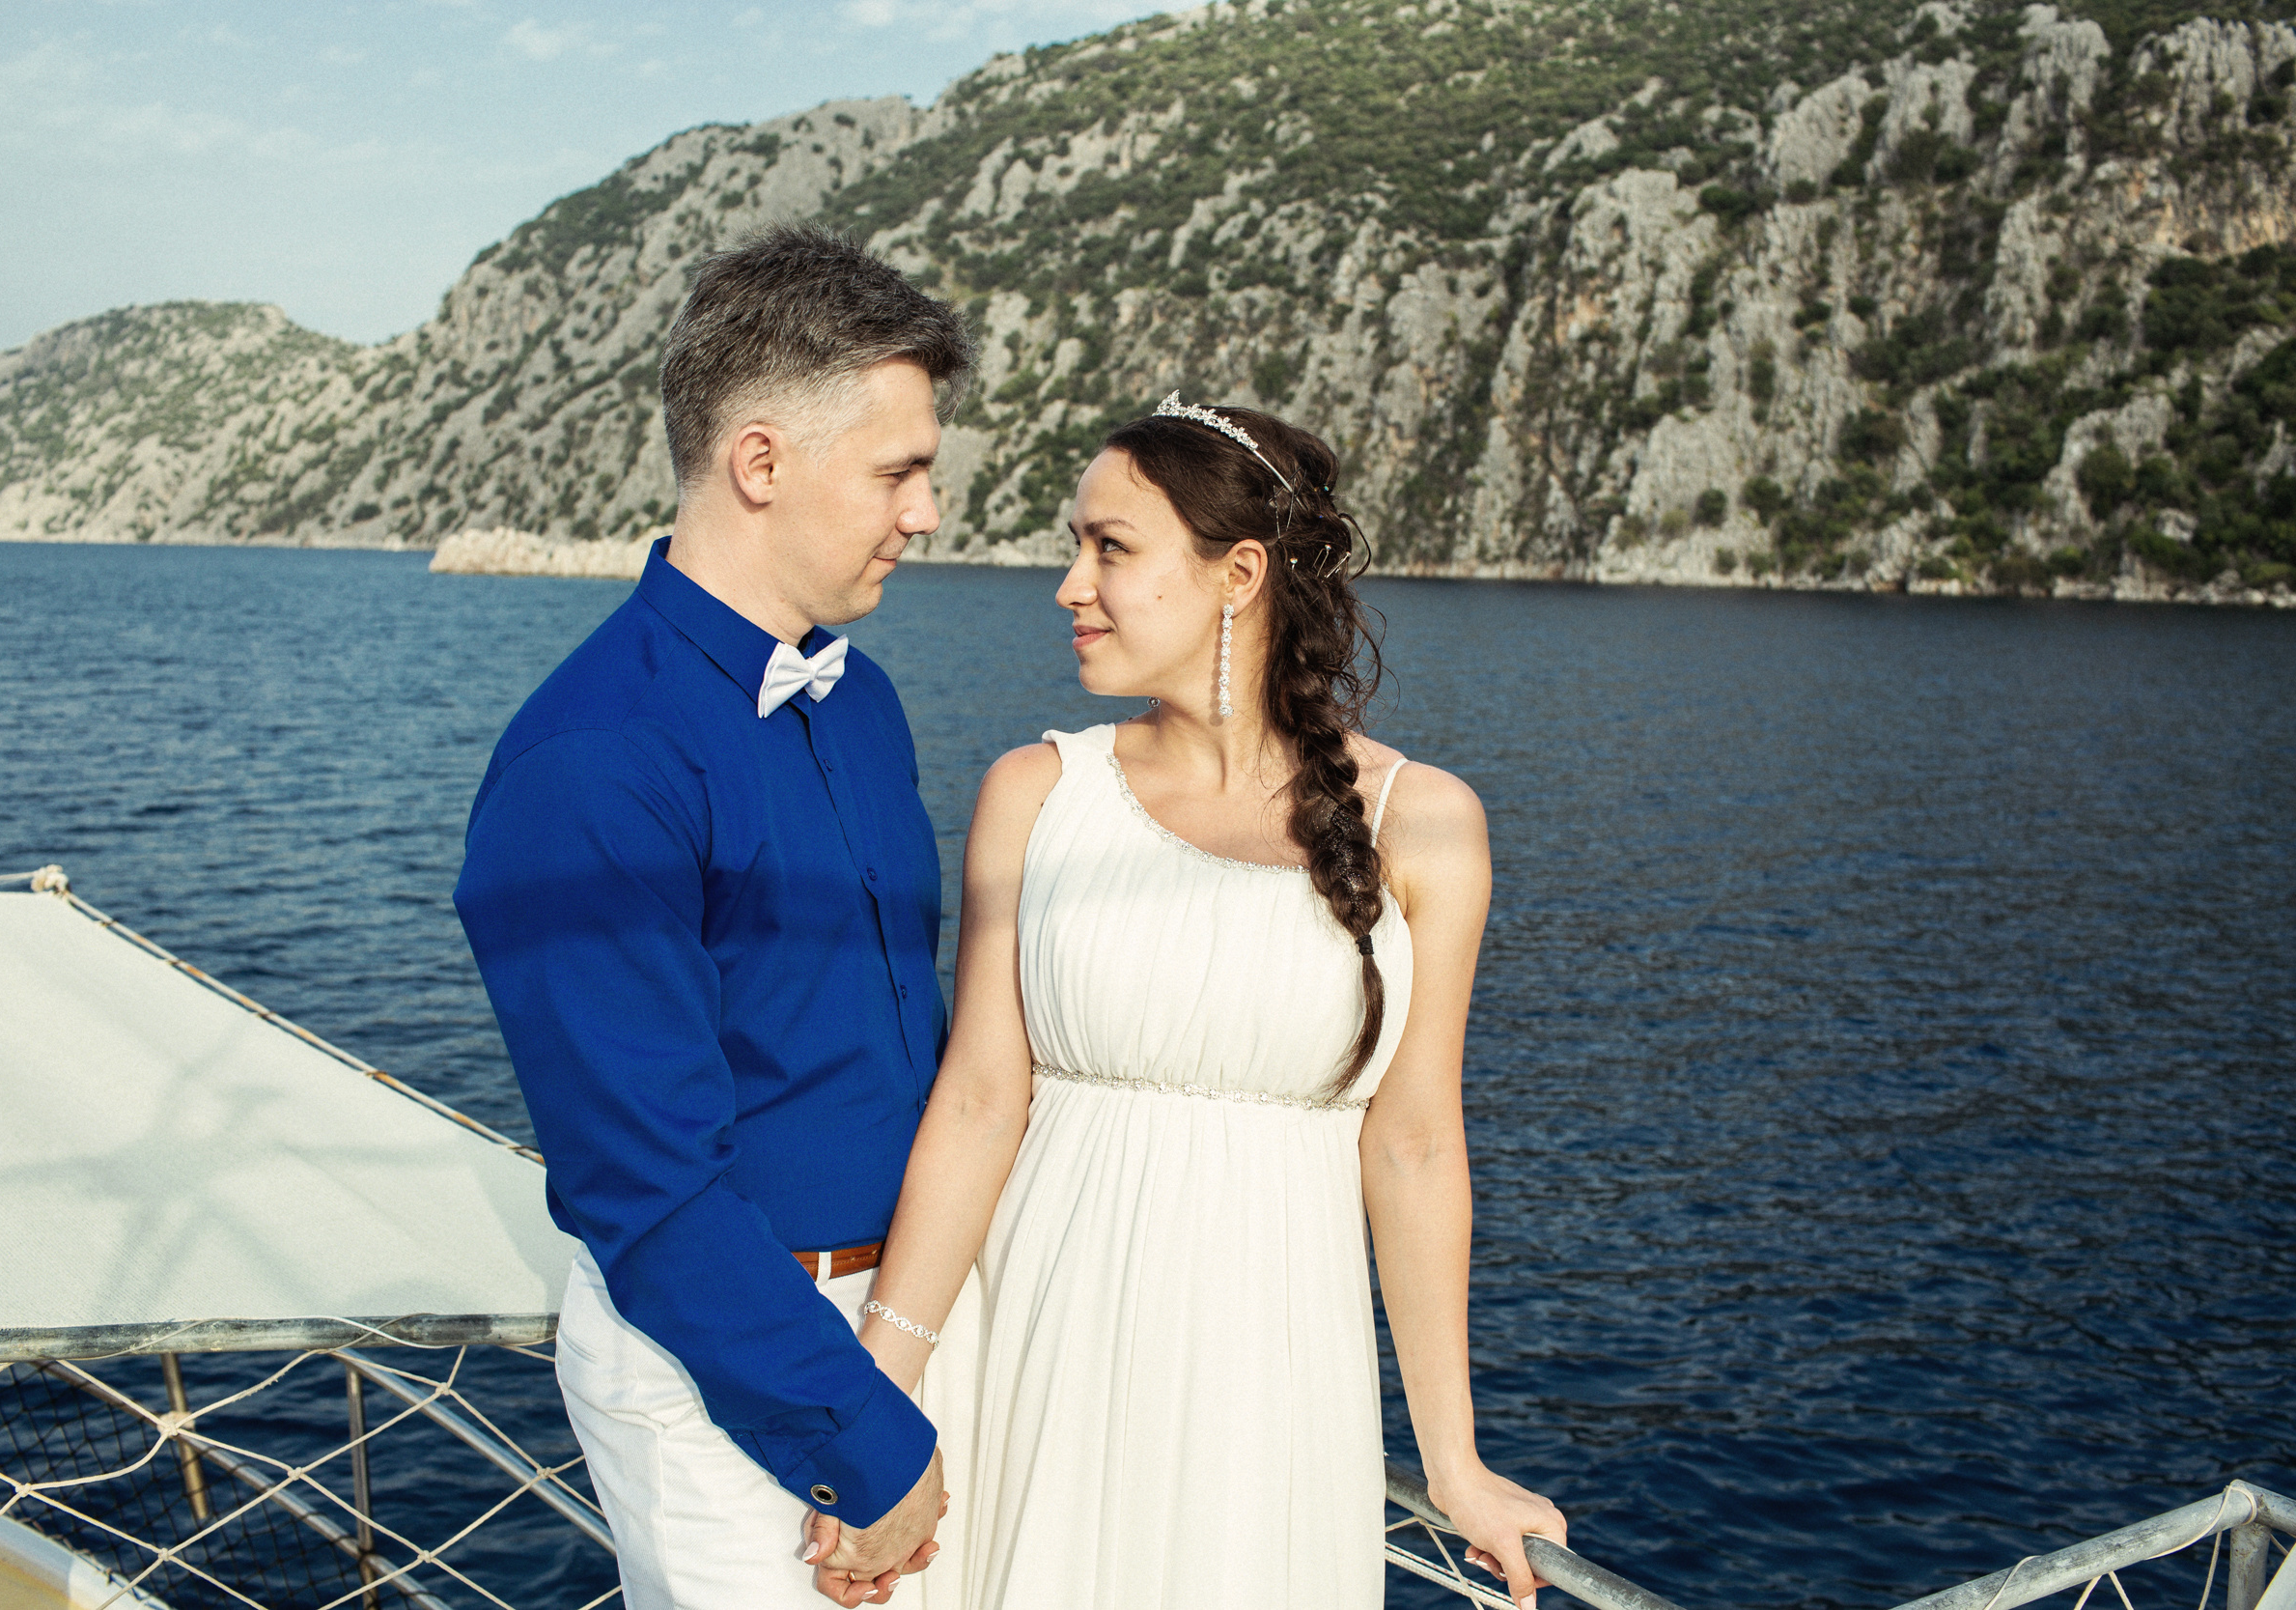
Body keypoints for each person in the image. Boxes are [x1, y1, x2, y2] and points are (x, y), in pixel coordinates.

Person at [835, 394, 1570, 1610]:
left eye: (1110, 548)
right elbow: (975, 1104)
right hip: (1041, 1345)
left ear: (1238, 573)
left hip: (1272, 1377)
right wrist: (878, 1390)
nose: (1071, 584)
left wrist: (1454, 1459)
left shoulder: (1423, 822)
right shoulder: (1036, 792)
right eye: (1076, 544)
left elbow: (1418, 1141)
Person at [452, 224, 975, 1610]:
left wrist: (910, 1351)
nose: (926, 511)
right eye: (899, 471)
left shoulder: (861, 700)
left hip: (909, 1327)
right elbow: (648, 1181)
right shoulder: (592, 762)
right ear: (760, 462)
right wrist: (855, 1434)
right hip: (728, 1367)